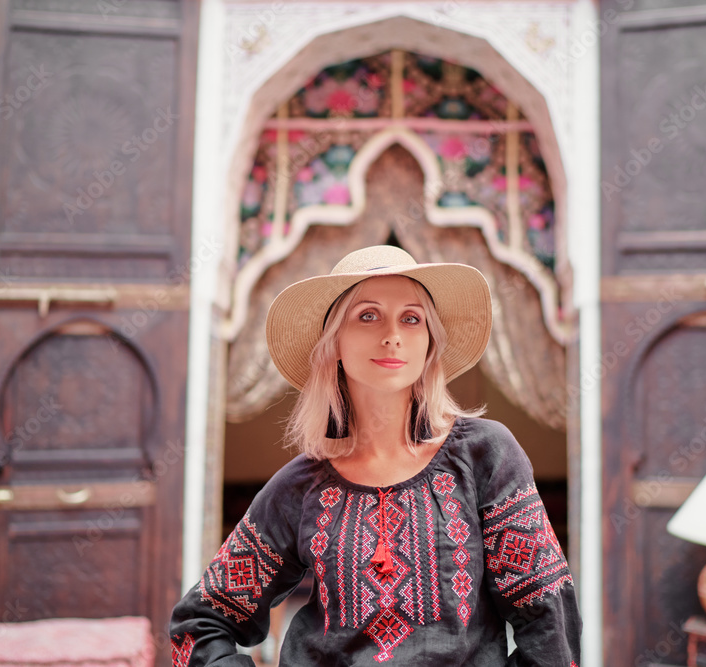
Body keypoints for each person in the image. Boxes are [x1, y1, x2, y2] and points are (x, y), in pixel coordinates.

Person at [170, 245, 581, 666]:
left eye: (411, 318)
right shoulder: (301, 485)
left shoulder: (484, 455)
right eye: (367, 315)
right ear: (334, 344)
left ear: (429, 343)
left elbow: (550, 620)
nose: (392, 334)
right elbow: (200, 623)